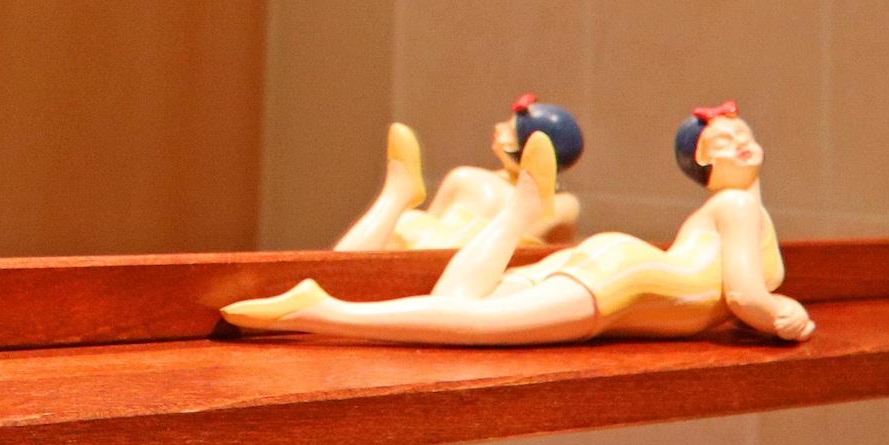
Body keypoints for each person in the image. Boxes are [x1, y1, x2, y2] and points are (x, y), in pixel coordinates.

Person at [229, 103, 814, 344]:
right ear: (704, 164)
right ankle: (320, 312)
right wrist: (781, 315)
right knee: (477, 326)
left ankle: (518, 212)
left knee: (457, 304)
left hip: (628, 275)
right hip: (630, 280)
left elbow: (736, 291)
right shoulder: (739, 208)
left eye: (741, 134)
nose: (740, 142)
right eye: (723, 141)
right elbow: (744, 294)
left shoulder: (728, 210)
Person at [334, 94, 584, 252]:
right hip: (450, 256)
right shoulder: (467, 178)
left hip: (473, 259)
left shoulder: (562, 204)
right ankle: (397, 193)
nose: (497, 128)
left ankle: (397, 195)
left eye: (509, 129)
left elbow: (549, 251)